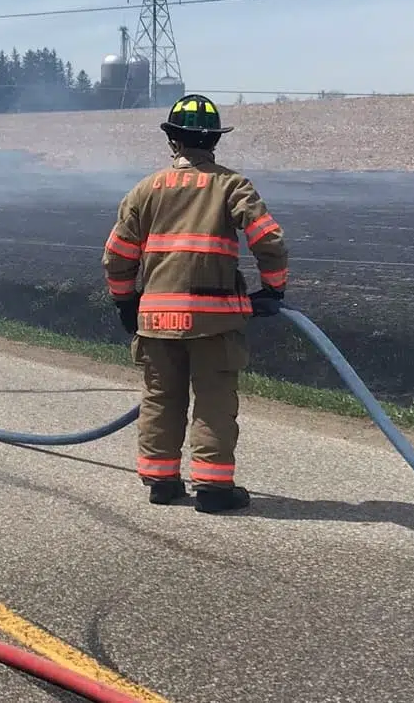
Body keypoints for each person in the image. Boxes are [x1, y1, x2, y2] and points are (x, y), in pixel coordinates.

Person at [101, 94, 289, 514]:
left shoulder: (145, 190)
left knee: (160, 399)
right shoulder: (232, 186)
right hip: (213, 321)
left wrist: (125, 301)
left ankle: (161, 482)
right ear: (214, 141)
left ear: (173, 140)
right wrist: (272, 290)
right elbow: (269, 239)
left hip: (155, 320)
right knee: (213, 401)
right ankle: (213, 489)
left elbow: (117, 256)